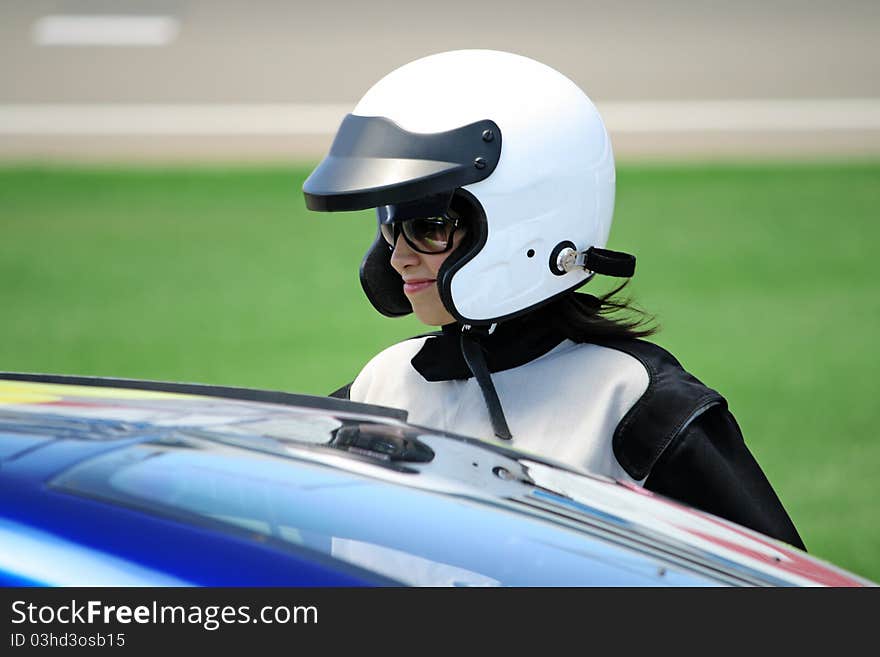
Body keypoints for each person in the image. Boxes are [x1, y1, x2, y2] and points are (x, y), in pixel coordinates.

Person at [302, 49, 805, 550]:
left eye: (430, 228)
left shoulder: (633, 404)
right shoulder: (383, 385)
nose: (398, 260)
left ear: (528, 222)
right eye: (391, 226)